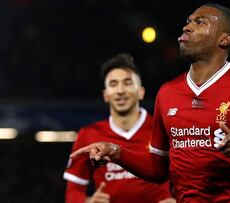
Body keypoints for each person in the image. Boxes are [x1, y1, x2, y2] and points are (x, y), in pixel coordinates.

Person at [71, 4, 230, 202]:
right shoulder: (168, 93)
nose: (187, 27)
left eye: (200, 22)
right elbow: (159, 168)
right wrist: (117, 152)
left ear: (224, 39)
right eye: (188, 22)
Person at [63, 53, 175, 203]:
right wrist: (89, 202)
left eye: (127, 82)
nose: (120, 90)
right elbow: (73, 192)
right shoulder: (88, 135)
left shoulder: (164, 128)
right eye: (113, 84)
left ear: (141, 92)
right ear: (105, 95)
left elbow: (191, 177)